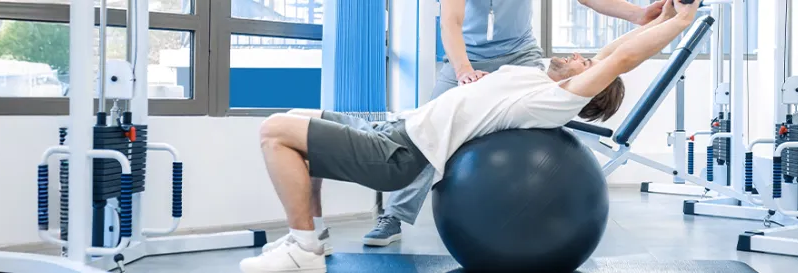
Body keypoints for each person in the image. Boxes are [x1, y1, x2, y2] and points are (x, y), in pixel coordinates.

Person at [238, 0, 703, 271]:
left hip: (398, 152)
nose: (582, 54)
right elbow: (615, 48)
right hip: (395, 127)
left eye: (586, 63)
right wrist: (659, 16)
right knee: (299, 119)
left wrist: (680, 26)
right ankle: (312, 236)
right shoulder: (541, 76)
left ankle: (303, 249)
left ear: (586, 87)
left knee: (273, 131)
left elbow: (620, 61)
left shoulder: (552, 99)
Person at [363, 0, 668, 248]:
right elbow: (451, 23)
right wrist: (464, 70)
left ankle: (535, 206)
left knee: (542, 114)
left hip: (521, 55)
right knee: (432, 132)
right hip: (465, 57)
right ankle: (394, 216)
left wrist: (640, 14)